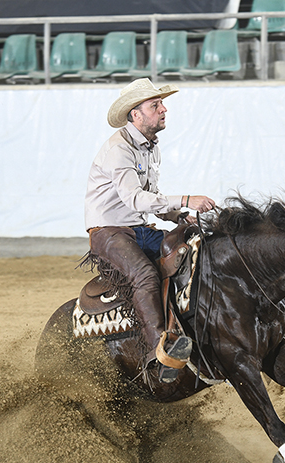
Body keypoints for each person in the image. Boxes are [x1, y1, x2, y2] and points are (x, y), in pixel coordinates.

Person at [85, 78, 216, 384]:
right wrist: (187, 199)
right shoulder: (119, 149)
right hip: (108, 233)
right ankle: (160, 354)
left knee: (197, 250)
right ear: (136, 114)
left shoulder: (149, 148)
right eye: (155, 105)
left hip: (138, 229)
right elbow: (134, 198)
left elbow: (151, 201)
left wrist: (181, 218)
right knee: (144, 275)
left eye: (161, 104)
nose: (163, 109)